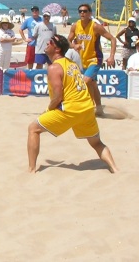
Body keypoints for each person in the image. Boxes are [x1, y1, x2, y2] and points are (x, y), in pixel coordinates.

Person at [27, 34, 118, 174]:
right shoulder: (72, 63)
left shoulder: (54, 68)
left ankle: (31, 169)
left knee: (33, 128)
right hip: (87, 108)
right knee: (97, 143)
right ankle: (115, 169)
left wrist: (48, 109)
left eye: (49, 42)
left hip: (70, 109)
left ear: (57, 49)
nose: (46, 44)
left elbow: (58, 97)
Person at [68, 3, 116, 116]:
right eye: (80, 11)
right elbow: (67, 41)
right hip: (83, 59)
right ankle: (99, 109)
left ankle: (86, 107)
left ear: (90, 13)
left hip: (95, 59)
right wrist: (74, 46)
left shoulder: (95, 26)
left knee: (85, 81)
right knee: (92, 85)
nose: (82, 13)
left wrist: (112, 56)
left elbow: (112, 39)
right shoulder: (75, 26)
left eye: (85, 11)